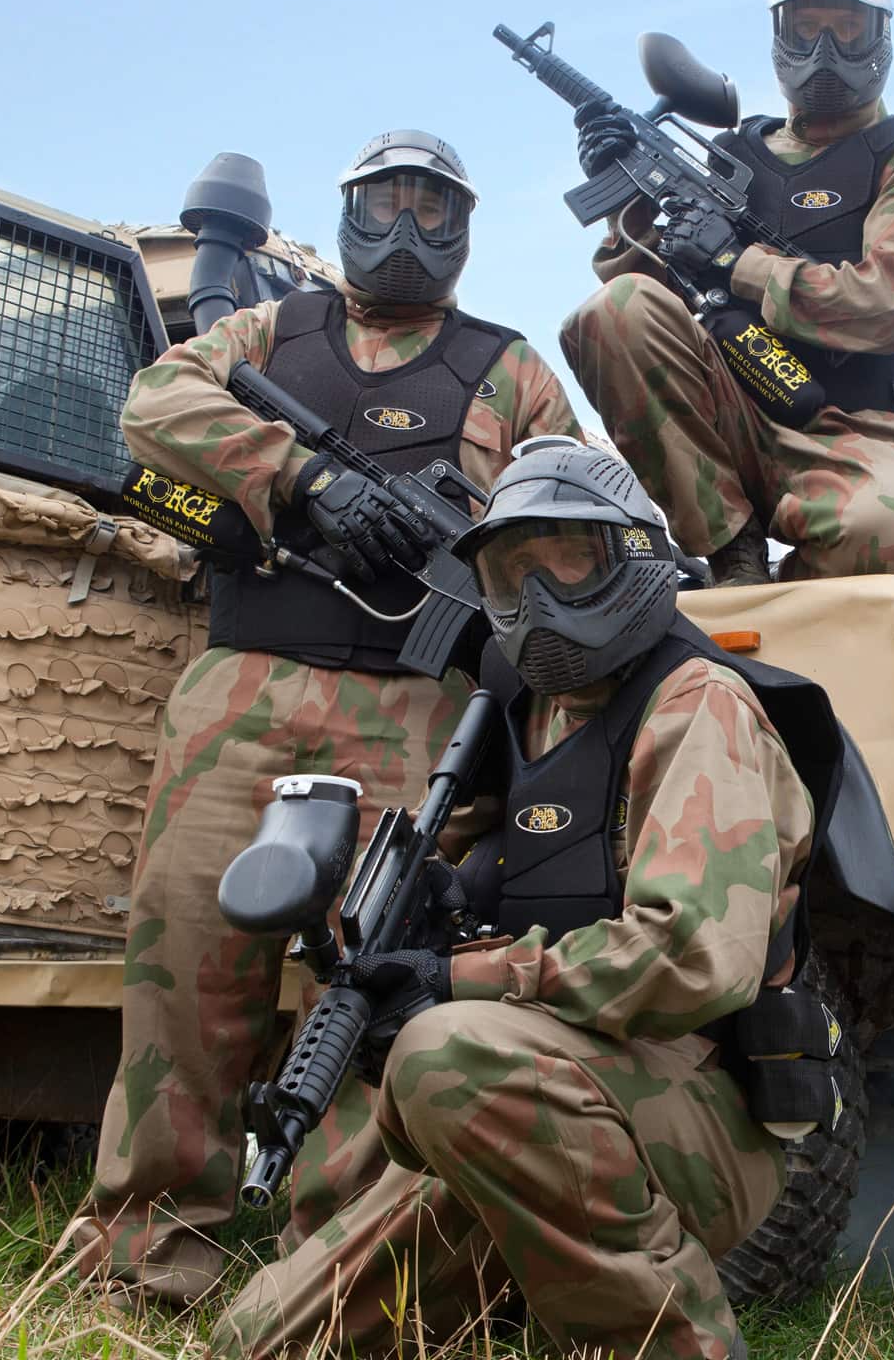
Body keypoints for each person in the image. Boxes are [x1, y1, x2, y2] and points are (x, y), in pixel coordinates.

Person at [73, 131, 582, 1308]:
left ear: (465, 228)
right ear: (349, 210)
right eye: (385, 203)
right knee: (188, 965)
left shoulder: (510, 371)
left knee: (373, 980)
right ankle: (148, 1249)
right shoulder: (272, 334)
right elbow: (155, 402)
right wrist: (302, 479)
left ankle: (333, 1266)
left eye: (434, 211)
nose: (407, 231)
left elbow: (576, 510)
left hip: (413, 710)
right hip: (240, 692)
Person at [212, 438, 839, 1360]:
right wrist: (420, 926)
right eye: (514, 572)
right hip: (546, 1090)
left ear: (630, 557)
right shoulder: (522, 710)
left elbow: (693, 957)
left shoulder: (697, 704)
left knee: (446, 1051)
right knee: (257, 1341)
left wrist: (456, 975)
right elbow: (497, 872)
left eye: (569, 561)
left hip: (699, 1107)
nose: (540, 601)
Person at [559, 0, 894, 585]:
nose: (825, 50)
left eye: (847, 29)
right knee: (611, 312)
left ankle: (800, 613)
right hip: (732, 406)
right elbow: (644, 309)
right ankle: (732, 551)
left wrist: (738, 262)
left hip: (852, 427)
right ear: (780, 37)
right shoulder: (732, 155)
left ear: (880, 41)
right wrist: (631, 201)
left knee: (878, 536)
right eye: (807, 30)